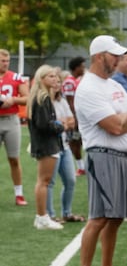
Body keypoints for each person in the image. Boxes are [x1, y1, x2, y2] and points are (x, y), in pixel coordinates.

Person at [72, 35, 127, 266]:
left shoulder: (111, 86)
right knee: (99, 217)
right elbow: (116, 125)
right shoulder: (88, 88)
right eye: (113, 55)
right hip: (101, 155)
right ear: (98, 56)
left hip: (120, 155)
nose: (118, 59)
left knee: (115, 218)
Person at [27, 66, 66, 230]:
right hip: (46, 144)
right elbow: (44, 125)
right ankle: (42, 217)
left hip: (46, 143)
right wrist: (60, 126)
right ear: (41, 78)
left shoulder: (40, 96)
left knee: (44, 181)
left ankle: (42, 216)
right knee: (44, 181)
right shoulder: (42, 98)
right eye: (50, 76)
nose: (54, 79)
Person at [47, 78, 82, 223]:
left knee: (70, 180)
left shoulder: (61, 100)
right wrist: (62, 124)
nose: (57, 84)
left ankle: (66, 213)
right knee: (49, 182)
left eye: (58, 81)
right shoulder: (44, 102)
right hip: (50, 145)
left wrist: (61, 124)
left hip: (64, 144)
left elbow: (71, 121)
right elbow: (47, 124)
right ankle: (50, 215)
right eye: (53, 80)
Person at [0, 48, 29, 205]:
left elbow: (27, 98)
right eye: (2, 61)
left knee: (14, 159)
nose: (5, 63)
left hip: (11, 120)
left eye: (7, 61)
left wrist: (13, 100)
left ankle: (19, 193)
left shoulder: (15, 78)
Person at [62, 56, 87, 176]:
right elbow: (70, 101)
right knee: (74, 141)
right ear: (76, 68)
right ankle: (80, 167)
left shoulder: (77, 81)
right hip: (74, 117)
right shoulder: (69, 82)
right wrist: (75, 118)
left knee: (80, 141)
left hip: (80, 116)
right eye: (82, 66)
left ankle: (83, 166)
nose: (84, 68)